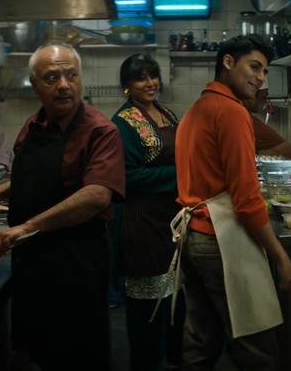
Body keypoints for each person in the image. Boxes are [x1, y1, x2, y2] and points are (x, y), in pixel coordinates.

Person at [0, 41, 125, 370]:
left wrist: (25, 227)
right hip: (32, 261)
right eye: (52, 78)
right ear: (35, 85)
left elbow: (95, 195)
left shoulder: (101, 131)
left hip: (75, 261)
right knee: (38, 352)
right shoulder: (32, 126)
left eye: (71, 76)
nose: (64, 85)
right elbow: (40, 180)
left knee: (78, 353)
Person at [172, 34, 291, 370]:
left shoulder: (198, 109)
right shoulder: (230, 112)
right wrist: (281, 257)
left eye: (265, 71)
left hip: (193, 237)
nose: (261, 78)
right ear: (228, 62)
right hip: (219, 241)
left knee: (201, 340)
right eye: (254, 67)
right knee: (257, 348)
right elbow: (246, 199)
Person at [110, 53, 184, 371]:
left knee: (173, 296)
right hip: (141, 221)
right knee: (146, 304)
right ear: (127, 86)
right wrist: (180, 177)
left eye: (153, 76)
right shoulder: (123, 122)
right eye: (141, 78)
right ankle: (145, 363)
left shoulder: (166, 113)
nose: (150, 83)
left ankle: (171, 358)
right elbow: (128, 178)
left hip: (170, 220)